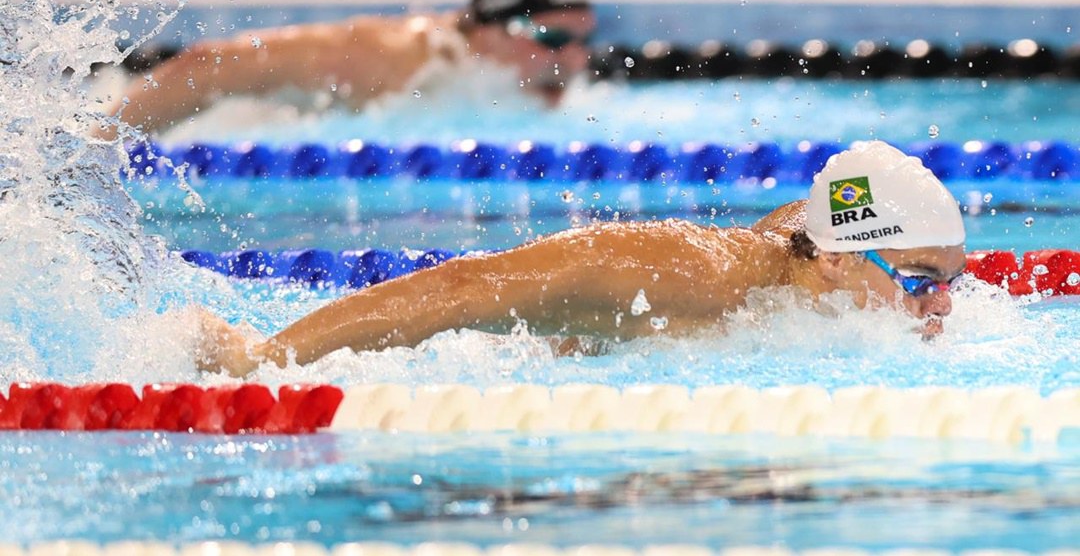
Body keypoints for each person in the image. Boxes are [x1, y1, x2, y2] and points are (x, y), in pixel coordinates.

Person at [196, 141, 968, 377]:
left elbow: (810, 215)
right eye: (920, 282)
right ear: (835, 263)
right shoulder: (680, 271)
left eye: (949, 281)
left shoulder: (812, 263)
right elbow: (467, 286)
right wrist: (266, 358)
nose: (942, 307)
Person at [107, 0, 596, 136]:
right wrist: (93, 150)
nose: (574, 61)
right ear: (489, 28)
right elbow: (213, 65)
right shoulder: (399, 60)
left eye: (583, 41)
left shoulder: (501, 90)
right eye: (551, 38)